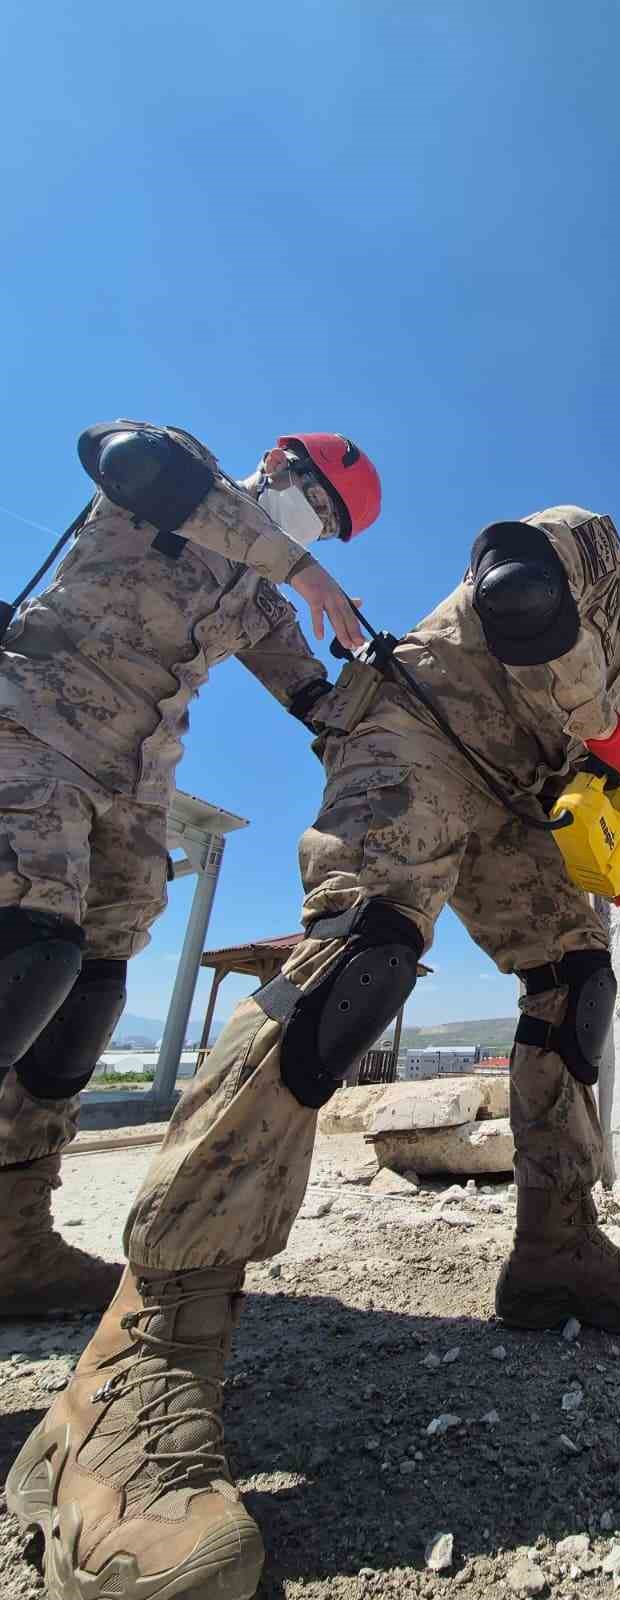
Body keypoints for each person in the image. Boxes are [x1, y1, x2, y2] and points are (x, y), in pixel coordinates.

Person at [6, 506, 620, 1600]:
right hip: (415, 734)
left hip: (513, 801)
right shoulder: (590, 545)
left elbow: (601, 790)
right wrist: (607, 731)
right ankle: (140, 1363)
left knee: (577, 981)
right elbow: (515, 594)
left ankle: (557, 1248)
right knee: (361, 960)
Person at [0, 422, 380, 1316]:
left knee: (91, 989)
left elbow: (316, 699)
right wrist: (300, 565)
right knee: (27, 951)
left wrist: (395, 690)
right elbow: (121, 455)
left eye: (325, 528)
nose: (311, 530)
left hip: (135, 786)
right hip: (35, 731)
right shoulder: (177, 476)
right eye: (314, 506)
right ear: (278, 466)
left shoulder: (259, 599)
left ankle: (12, 1238)